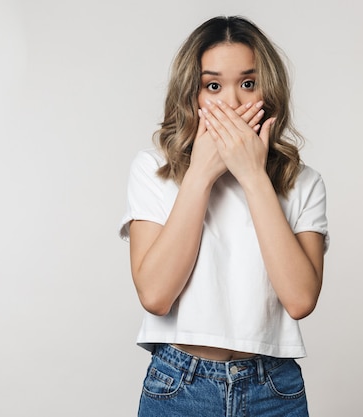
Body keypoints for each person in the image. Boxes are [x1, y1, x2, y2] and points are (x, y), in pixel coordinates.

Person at [119, 15, 328, 417]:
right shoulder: (153, 169)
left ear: (269, 89)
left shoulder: (303, 182)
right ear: (192, 94)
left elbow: (300, 299)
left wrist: (252, 175)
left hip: (274, 389)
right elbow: (155, 296)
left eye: (248, 84)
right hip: (180, 385)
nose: (231, 103)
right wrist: (200, 174)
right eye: (213, 86)